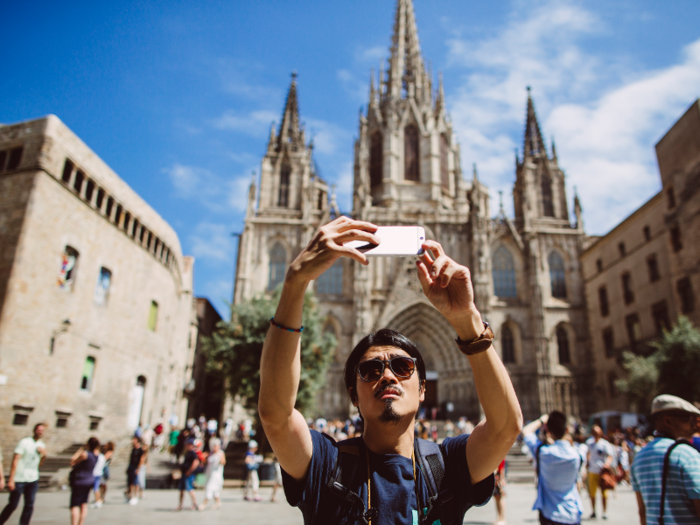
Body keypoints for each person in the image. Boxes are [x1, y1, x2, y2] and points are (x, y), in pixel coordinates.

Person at [258, 217, 523, 524]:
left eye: (402, 366)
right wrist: (294, 283)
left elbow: (506, 427)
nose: (387, 375)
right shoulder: (326, 465)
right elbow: (276, 416)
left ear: (423, 388)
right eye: (370, 370)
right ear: (353, 395)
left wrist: (467, 319)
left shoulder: (447, 466)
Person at [631, 394, 700, 524]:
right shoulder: (686, 455)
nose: (693, 425)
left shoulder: (639, 457)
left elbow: (642, 512)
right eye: (688, 419)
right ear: (668, 421)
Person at [522, 412, 584, 525]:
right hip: (572, 512)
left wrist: (541, 421)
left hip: (550, 514)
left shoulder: (543, 452)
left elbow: (525, 431)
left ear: (548, 431)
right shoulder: (578, 454)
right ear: (567, 430)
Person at [0, 423, 47, 525]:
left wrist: (44, 454)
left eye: (42, 430)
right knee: (13, 505)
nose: (40, 432)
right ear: (34, 430)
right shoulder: (24, 442)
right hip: (19, 479)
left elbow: (40, 464)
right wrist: (11, 479)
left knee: (29, 505)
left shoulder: (42, 445)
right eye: (38, 430)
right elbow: (15, 460)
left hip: (33, 479)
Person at [69, 437, 99, 525]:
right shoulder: (96, 455)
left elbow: (73, 460)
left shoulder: (85, 454)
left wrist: (81, 449)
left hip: (80, 480)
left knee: (74, 506)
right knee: (83, 503)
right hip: (89, 480)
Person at [586, 425, 613, 519]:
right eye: (594, 432)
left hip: (602, 471)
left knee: (604, 493)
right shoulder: (589, 443)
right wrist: (587, 463)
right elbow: (588, 454)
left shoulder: (605, 444)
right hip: (592, 471)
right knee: (592, 493)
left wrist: (607, 464)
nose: (595, 434)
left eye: (597, 433)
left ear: (600, 433)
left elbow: (610, 456)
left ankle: (604, 512)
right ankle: (593, 511)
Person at [199, 438, 226, 510]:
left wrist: (219, 457)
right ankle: (218, 502)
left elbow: (223, 462)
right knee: (215, 490)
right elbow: (202, 458)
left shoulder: (221, 453)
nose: (215, 447)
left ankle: (204, 503)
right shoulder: (210, 453)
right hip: (209, 473)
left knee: (210, 488)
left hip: (216, 475)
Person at [177, 439, 200, 511]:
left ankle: (195, 503)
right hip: (183, 473)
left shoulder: (193, 453)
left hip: (189, 474)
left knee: (190, 489)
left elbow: (196, 462)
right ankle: (181, 505)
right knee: (181, 490)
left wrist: (190, 471)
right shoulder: (186, 452)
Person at [92, 442, 114, 508]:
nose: (105, 445)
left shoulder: (109, 452)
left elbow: (104, 458)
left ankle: (102, 497)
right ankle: (100, 497)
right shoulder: (104, 451)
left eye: (106, 445)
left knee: (103, 483)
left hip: (105, 468)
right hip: (102, 468)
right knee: (101, 484)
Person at [125, 437, 145, 505]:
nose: (133, 441)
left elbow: (142, 459)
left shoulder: (140, 450)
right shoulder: (133, 449)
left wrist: (138, 468)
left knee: (135, 483)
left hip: (136, 468)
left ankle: (135, 497)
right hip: (131, 467)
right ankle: (130, 496)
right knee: (130, 483)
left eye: (134, 440)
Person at [492, 459, 507, 525]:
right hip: (496, 477)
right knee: (496, 498)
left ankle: (502, 518)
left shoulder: (500, 456)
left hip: (499, 477)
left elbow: (502, 466)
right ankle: (499, 517)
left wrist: (502, 478)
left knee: (500, 498)